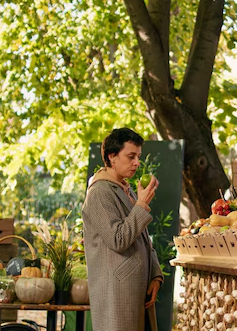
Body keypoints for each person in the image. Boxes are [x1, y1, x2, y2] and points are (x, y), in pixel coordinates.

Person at [81, 128, 163, 331]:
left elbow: (143, 238)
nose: (137, 162)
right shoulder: (99, 193)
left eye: (138, 157)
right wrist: (142, 205)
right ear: (112, 157)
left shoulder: (125, 189)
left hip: (136, 289)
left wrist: (155, 275)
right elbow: (118, 239)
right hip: (116, 294)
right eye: (131, 156)